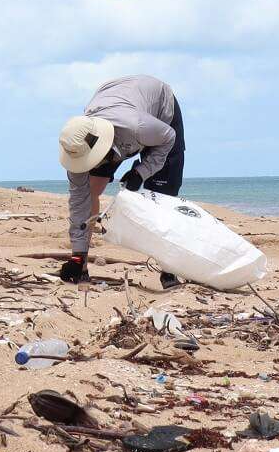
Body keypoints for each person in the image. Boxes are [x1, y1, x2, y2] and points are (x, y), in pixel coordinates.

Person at [57, 74, 186, 291]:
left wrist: (141, 172)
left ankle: (168, 268)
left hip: (160, 116)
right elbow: (80, 202)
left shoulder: (138, 126)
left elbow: (168, 137)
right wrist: (77, 257)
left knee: (162, 196)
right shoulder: (78, 147)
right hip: (112, 101)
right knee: (91, 189)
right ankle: (83, 264)